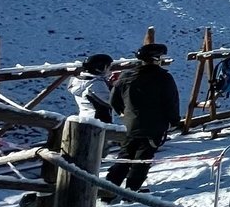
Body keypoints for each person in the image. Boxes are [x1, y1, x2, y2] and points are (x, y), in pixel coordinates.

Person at [103, 44, 180, 198]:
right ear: (156, 59)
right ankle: (132, 191)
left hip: (131, 124)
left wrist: (124, 114)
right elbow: (171, 102)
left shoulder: (126, 76)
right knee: (142, 159)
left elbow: (114, 100)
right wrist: (174, 121)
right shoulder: (164, 78)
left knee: (125, 156)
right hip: (154, 126)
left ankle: (108, 189)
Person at [68, 54, 114, 124]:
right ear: (100, 68)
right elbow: (110, 101)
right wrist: (115, 86)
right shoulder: (96, 84)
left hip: (85, 117)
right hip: (98, 121)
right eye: (108, 67)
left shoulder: (78, 81)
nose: (110, 70)